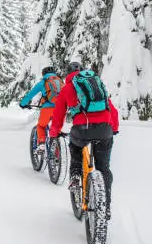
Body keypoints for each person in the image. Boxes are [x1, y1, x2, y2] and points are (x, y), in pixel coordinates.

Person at [48, 61, 119, 219]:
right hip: (105, 129)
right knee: (104, 168)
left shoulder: (67, 88)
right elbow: (112, 109)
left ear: (68, 74)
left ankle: (75, 177)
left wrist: (54, 133)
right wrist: (113, 129)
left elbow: (58, 116)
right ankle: (105, 207)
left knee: (76, 148)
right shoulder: (96, 84)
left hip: (82, 130)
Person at [19, 66, 63, 152]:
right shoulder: (60, 82)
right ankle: (56, 157)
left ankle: (42, 144)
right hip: (60, 109)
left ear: (43, 74)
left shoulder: (43, 82)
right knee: (56, 131)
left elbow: (30, 94)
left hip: (47, 109)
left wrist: (23, 104)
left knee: (41, 126)